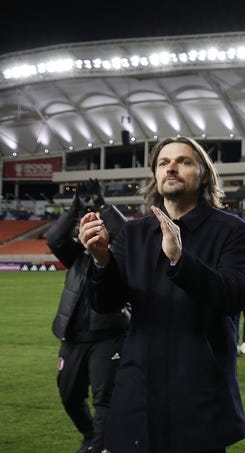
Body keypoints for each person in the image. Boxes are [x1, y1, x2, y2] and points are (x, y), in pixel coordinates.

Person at [78, 137, 245, 453]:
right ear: (155, 177)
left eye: (183, 161)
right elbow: (105, 304)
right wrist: (101, 260)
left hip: (200, 392)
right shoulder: (134, 232)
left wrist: (180, 261)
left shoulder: (231, 230)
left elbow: (236, 296)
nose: (171, 167)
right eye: (163, 162)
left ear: (203, 176)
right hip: (139, 391)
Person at [46, 180, 130, 453]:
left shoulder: (119, 252)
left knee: (105, 398)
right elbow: (54, 239)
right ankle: (91, 436)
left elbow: (126, 234)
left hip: (109, 334)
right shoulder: (76, 255)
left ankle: (98, 446)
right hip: (72, 335)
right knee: (69, 395)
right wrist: (74, 209)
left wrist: (104, 206)